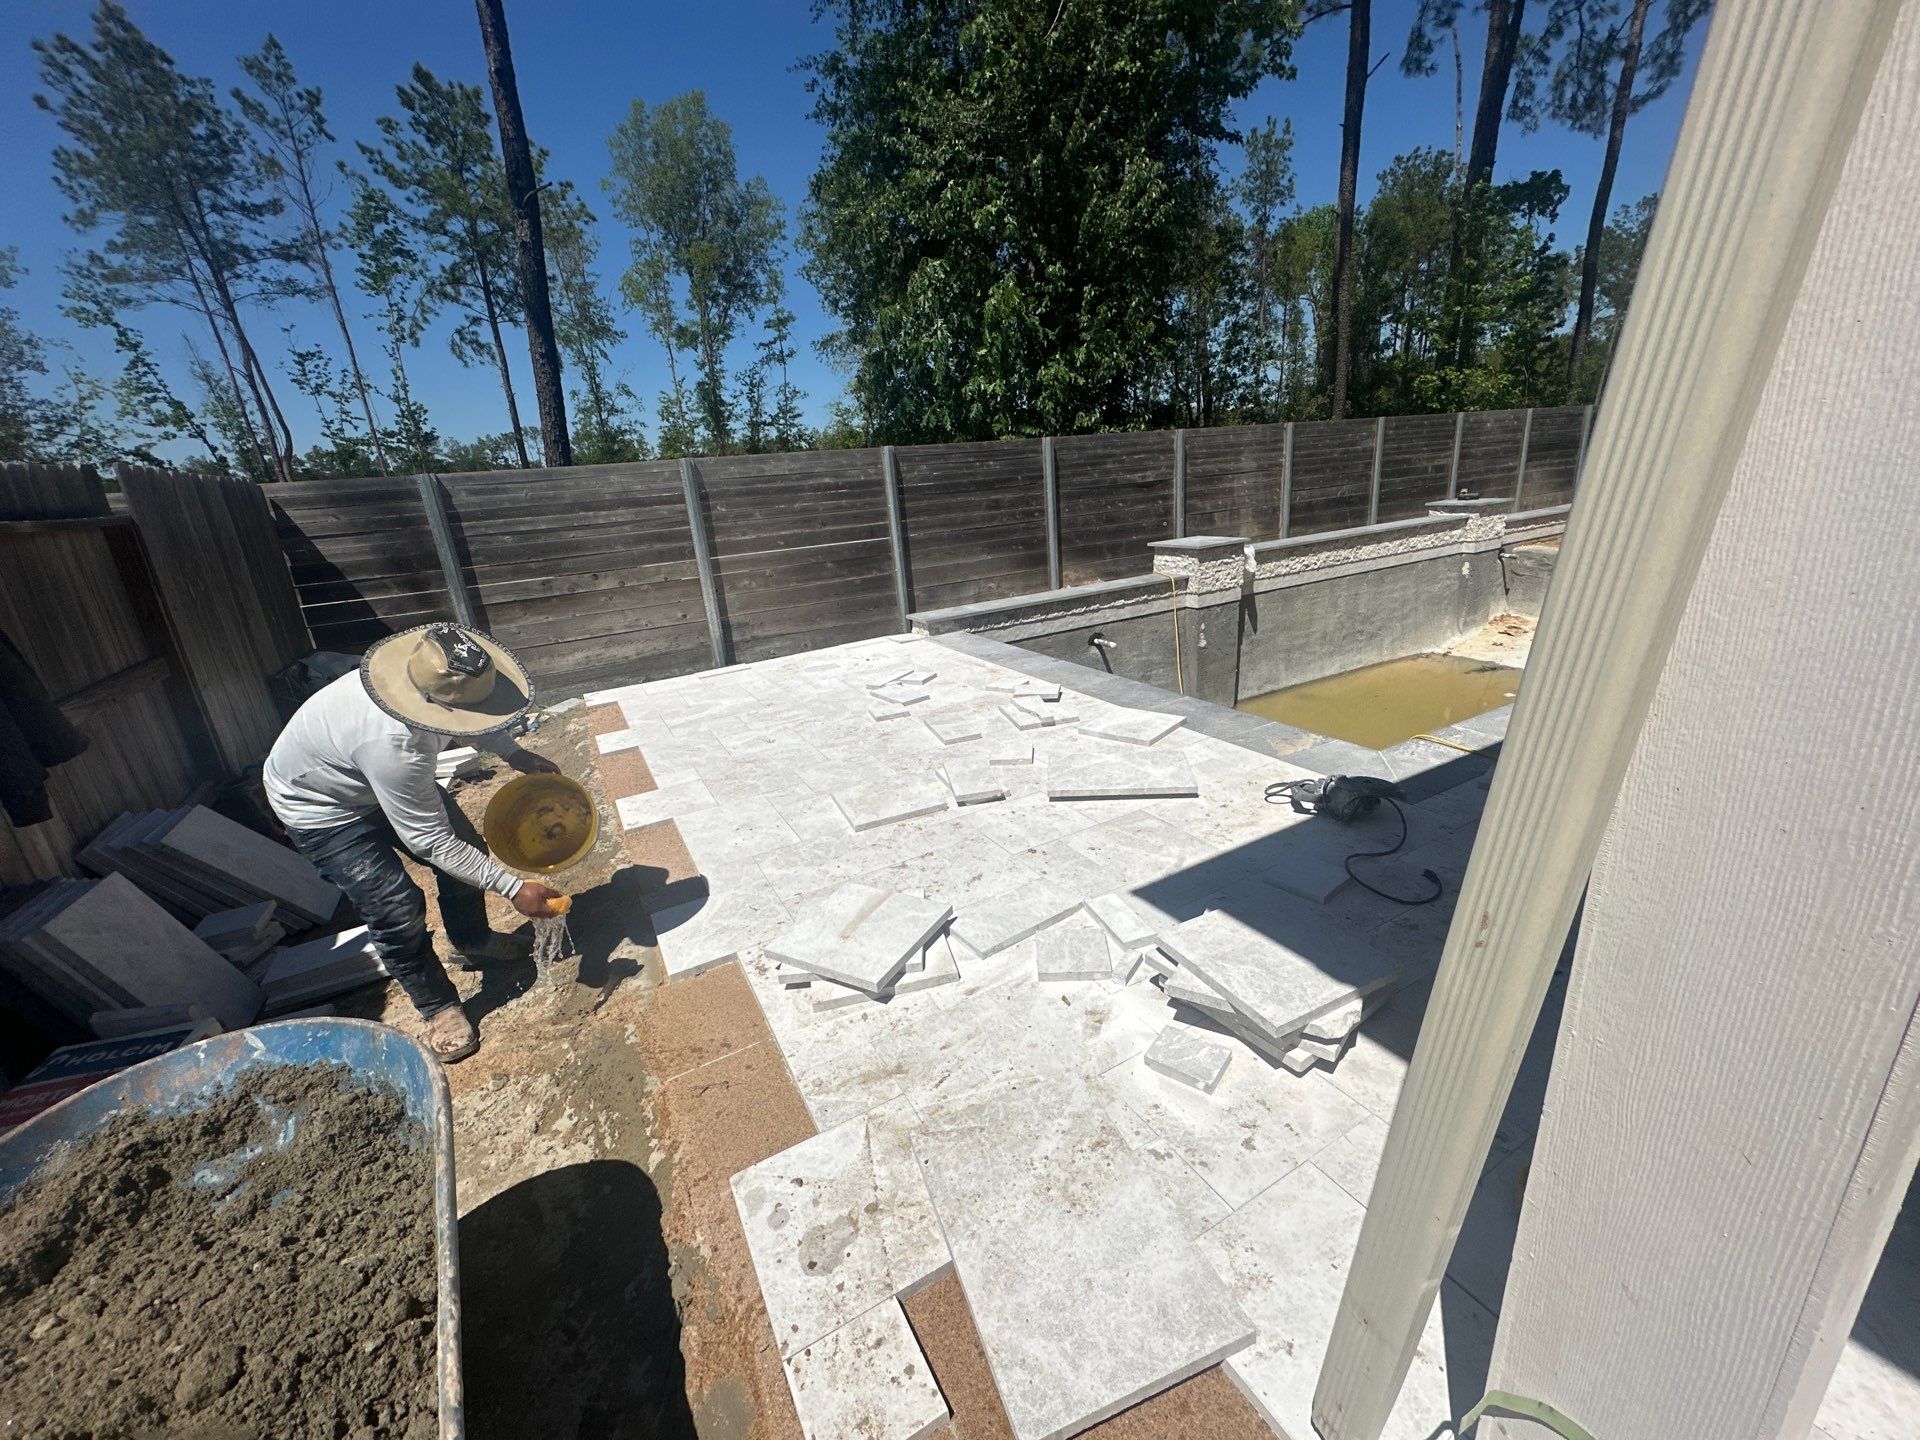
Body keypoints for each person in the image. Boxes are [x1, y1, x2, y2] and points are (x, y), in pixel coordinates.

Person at [263, 622, 565, 1062]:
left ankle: (471, 940)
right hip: (320, 807)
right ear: (432, 705)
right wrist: (514, 889)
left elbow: (479, 709)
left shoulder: (427, 681)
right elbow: (427, 838)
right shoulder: (393, 742)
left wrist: (514, 752)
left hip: (373, 779)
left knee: (469, 850)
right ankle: (438, 1006)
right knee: (395, 907)